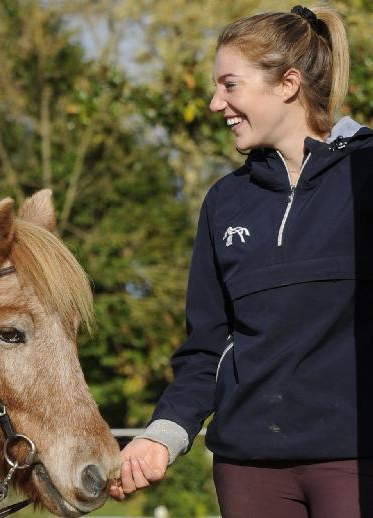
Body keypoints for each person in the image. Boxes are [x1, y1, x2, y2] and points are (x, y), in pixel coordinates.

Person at [110, 5, 373, 517]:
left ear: (288, 83)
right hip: (248, 470)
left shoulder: (365, 174)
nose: (215, 104)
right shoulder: (224, 202)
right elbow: (206, 348)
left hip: (356, 460)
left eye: (230, 85)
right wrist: (161, 437)